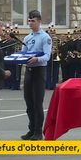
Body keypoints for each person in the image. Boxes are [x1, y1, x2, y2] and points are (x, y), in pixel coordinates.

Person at [20, 10, 52, 140]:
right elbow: (24, 53)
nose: (30, 23)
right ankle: (31, 129)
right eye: (29, 20)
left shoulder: (45, 37)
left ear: (39, 21)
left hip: (39, 70)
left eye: (33, 21)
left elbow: (47, 56)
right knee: (29, 102)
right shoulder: (27, 38)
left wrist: (36, 59)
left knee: (37, 102)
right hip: (29, 71)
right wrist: (20, 58)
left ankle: (38, 131)